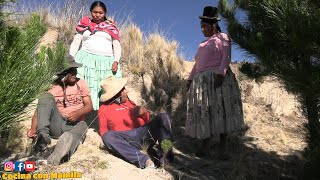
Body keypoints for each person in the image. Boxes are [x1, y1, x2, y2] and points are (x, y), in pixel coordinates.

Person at [185, 6, 244, 158]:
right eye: (201, 27)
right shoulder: (202, 45)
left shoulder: (223, 37)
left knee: (221, 111)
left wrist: (221, 74)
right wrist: (190, 80)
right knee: (206, 112)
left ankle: (222, 148)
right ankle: (205, 146)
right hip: (202, 82)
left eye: (205, 26)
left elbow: (226, 57)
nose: (202, 30)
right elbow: (196, 64)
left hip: (217, 78)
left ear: (212, 25)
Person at [27, 56, 93, 165]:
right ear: (63, 73)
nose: (75, 73)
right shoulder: (53, 87)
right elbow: (40, 110)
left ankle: (60, 153)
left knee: (82, 126)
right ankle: (43, 137)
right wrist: (33, 129)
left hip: (74, 125)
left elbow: (89, 106)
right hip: (57, 123)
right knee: (45, 96)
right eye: (71, 71)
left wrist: (78, 113)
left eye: (75, 70)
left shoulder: (80, 83)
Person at [98, 76, 174, 169]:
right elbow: (103, 132)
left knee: (163, 116)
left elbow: (147, 123)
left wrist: (144, 112)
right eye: (122, 90)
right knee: (107, 136)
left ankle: (166, 157)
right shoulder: (104, 109)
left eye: (124, 88)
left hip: (141, 134)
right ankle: (145, 160)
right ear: (115, 95)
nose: (126, 91)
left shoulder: (130, 102)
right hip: (125, 139)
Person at [69, 1, 122, 110]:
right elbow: (75, 43)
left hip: (106, 62)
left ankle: (106, 118)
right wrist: (71, 59)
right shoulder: (83, 25)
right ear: (91, 12)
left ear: (105, 13)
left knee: (109, 90)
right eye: (95, 12)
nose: (97, 15)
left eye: (101, 13)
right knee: (81, 90)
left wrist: (116, 60)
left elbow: (116, 46)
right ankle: (81, 116)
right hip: (85, 61)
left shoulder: (111, 26)